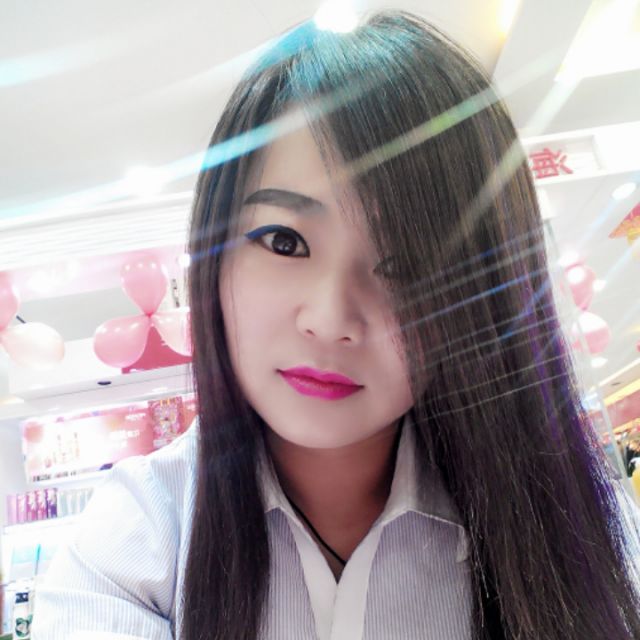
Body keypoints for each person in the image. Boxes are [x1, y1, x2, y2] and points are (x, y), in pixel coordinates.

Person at [32, 10, 640, 640]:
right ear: (216, 255)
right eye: (284, 241)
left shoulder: (576, 530)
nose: (330, 320)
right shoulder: (140, 533)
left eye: (408, 265)